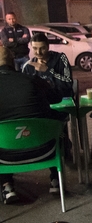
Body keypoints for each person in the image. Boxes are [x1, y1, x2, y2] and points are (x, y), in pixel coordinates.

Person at [0, 45, 66, 204]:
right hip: (44, 149)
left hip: (4, 156)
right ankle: (55, 179)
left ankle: (7, 185)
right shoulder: (32, 80)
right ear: (13, 61)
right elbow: (57, 98)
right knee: (54, 122)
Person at [22, 32, 73, 98]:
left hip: (62, 99)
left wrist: (48, 71)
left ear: (48, 47)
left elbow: (68, 83)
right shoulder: (28, 66)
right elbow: (25, 90)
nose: (38, 52)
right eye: (35, 48)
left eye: (42, 48)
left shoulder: (60, 58)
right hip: (41, 102)